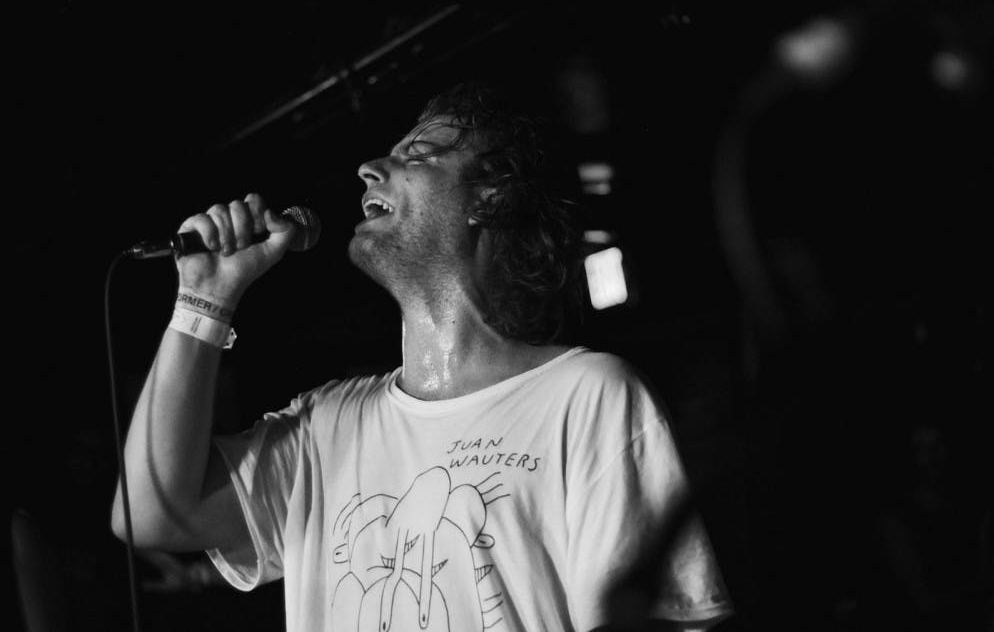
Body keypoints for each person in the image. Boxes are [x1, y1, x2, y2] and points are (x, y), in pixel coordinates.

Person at [111, 83, 733, 631]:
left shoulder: (587, 395)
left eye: (417, 156)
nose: (368, 169)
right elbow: (150, 514)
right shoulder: (325, 426)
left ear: (489, 197)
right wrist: (203, 301)